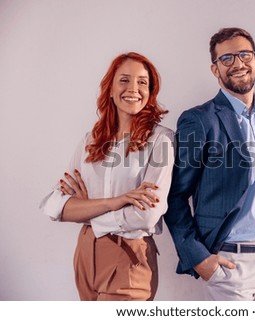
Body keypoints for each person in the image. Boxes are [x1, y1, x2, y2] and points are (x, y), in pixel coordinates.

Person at [164, 27, 255, 300]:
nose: (238, 64)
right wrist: (199, 258)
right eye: (227, 59)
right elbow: (175, 196)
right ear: (215, 70)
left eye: (244, 55)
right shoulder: (200, 120)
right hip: (230, 265)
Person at [39, 52, 175, 301]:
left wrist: (87, 211)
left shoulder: (161, 141)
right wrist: (115, 201)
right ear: (110, 89)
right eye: (124, 80)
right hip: (85, 255)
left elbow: (146, 216)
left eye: (142, 82)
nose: (133, 88)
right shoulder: (91, 140)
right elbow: (54, 204)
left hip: (128, 257)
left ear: (151, 91)